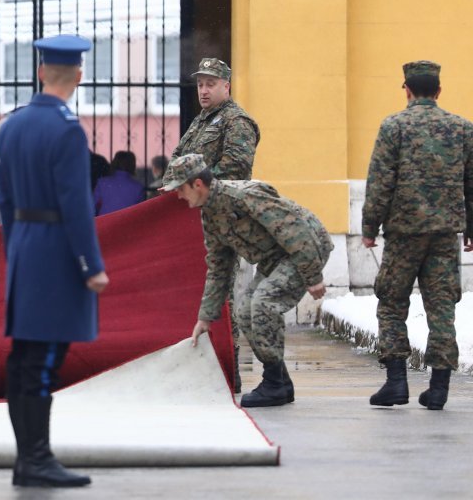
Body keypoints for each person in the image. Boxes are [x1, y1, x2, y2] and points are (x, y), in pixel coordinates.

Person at [0, 34, 109, 488]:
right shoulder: (66, 129)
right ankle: (37, 459)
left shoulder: (11, 125)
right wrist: (90, 263)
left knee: (24, 356)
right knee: (42, 359)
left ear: (41, 73)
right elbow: (76, 205)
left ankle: (29, 458)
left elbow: (3, 200)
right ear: (78, 76)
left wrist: (14, 251)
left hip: (24, 246)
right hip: (57, 251)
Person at [163, 154, 332, 408]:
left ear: (197, 184)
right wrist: (205, 317)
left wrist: (313, 276)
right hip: (276, 257)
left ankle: (273, 384)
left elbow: (295, 230)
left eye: (180, 189)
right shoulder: (209, 213)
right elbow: (219, 266)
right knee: (244, 312)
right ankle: (281, 382)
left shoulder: (243, 196)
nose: (178, 196)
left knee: (263, 303)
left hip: (305, 248)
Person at [362, 60, 473, 411]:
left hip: (404, 234)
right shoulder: (462, 128)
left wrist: (369, 228)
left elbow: (380, 182)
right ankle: (438, 388)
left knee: (392, 302)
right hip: (444, 234)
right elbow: (471, 184)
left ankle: (396, 382)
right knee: (442, 307)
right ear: (438, 91)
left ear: (406, 89)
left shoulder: (394, 126)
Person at [162, 57, 261, 394]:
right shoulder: (203, 121)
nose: (203, 90)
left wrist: (192, 182)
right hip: (193, 221)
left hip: (223, 219)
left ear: (226, 86)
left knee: (224, 296)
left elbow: (236, 168)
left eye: (210, 83)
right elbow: (178, 160)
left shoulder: (236, 121)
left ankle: (228, 372)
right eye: (201, 84)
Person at [93, 150, 145, 215]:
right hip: (127, 223)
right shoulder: (138, 187)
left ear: (114, 163)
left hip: (104, 222)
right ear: (132, 165)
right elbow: (140, 212)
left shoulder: (102, 182)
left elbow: (92, 207)